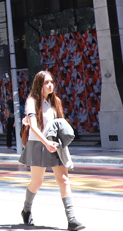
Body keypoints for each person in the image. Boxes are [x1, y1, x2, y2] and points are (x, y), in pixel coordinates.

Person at [18, 71, 85, 230]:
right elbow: (33, 127)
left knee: (63, 179)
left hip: (54, 144)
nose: (50, 85)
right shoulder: (32, 101)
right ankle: (26, 210)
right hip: (38, 144)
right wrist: (45, 142)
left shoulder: (55, 101)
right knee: (37, 182)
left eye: (52, 82)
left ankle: (71, 219)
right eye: (46, 82)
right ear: (39, 84)